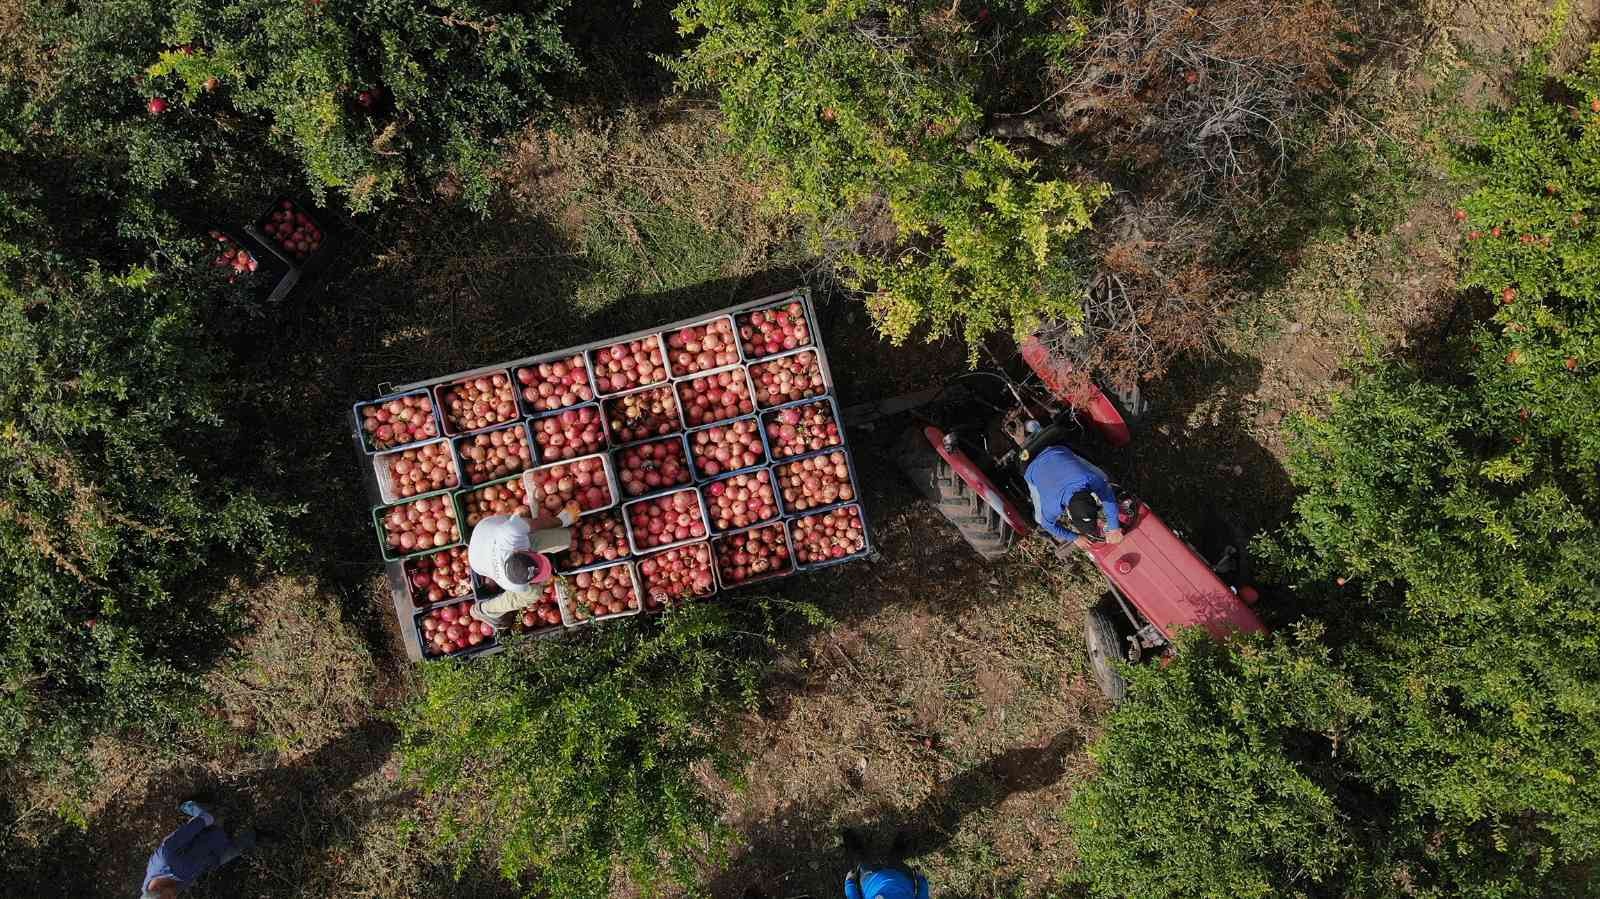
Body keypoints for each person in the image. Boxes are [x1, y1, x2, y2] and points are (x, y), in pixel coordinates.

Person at [467, 498, 583, 624]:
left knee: (564, 537)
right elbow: (530, 587)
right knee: (534, 595)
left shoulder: (511, 533)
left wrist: (562, 520)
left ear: (517, 551)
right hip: (478, 563)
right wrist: (543, 583)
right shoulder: (512, 584)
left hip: (482, 532)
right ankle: (485, 609)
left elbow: (536, 523)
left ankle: (558, 536)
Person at [141, 800, 255, 898]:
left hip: (211, 834)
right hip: (213, 859)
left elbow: (186, 833)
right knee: (241, 846)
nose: (174, 897)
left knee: (217, 814)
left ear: (156, 888)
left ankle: (188, 805)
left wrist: (207, 819)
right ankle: (256, 834)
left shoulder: (164, 858)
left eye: (169, 897)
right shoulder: (168, 889)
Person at [1023, 444, 1123, 551]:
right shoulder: (1050, 508)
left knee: (1103, 478)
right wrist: (1074, 537)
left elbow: (1107, 495)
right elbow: (1046, 525)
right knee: (1039, 518)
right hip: (1033, 467)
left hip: (1055, 452)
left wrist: (1114, 527)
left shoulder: (1090, 478)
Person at [842, 829, 930, 899]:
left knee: (861, 861)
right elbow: (923, 896)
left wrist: (849, 883)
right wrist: (921, 879)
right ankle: (902, 839)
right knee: (896, 859)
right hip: (900, 875)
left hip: (870, 878)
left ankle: (852, 842)